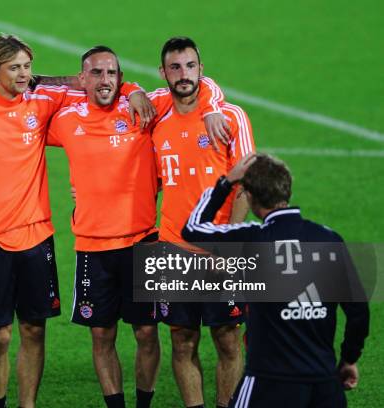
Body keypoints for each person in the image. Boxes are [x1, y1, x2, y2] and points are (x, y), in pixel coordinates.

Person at [0, 35, 154, 408]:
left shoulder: (47, 101)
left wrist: (132, 89)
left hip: (37, 236)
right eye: (14, 67)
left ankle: (27, 405)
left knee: (34, 329)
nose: (23, 74)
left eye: (26, 66)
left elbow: (88, 83)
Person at [46, 45, 227, 408]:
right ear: (82, 79)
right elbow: (26, 100)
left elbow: (197, 84)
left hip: (141, 242)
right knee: (101, 334)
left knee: (147, 332)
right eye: (95, 73)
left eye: (112, 73)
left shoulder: (143, 111)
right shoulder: (66, 119)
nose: (105, 80)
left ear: (122, 78)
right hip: (91, 246)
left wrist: (210, 108)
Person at [182, 153, 370, 408]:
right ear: (287, 189)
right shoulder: (329, 238)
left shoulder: (252, 238)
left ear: (250, 196)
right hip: (324, 385)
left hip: (268, 383)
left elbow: (193, 229)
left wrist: (226, 182)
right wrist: (349, 359)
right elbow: (358, 311)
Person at [150, 37, 255, 408]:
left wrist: (227, 242)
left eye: (190, 66)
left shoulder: (230, 116)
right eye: (175, 68)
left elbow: (246, 187)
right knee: (182, 340)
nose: (184, 75)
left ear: (201, 69)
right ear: (163, 73)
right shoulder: (156, 116)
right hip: (173, 249)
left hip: (220, 250)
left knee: (227, 337)